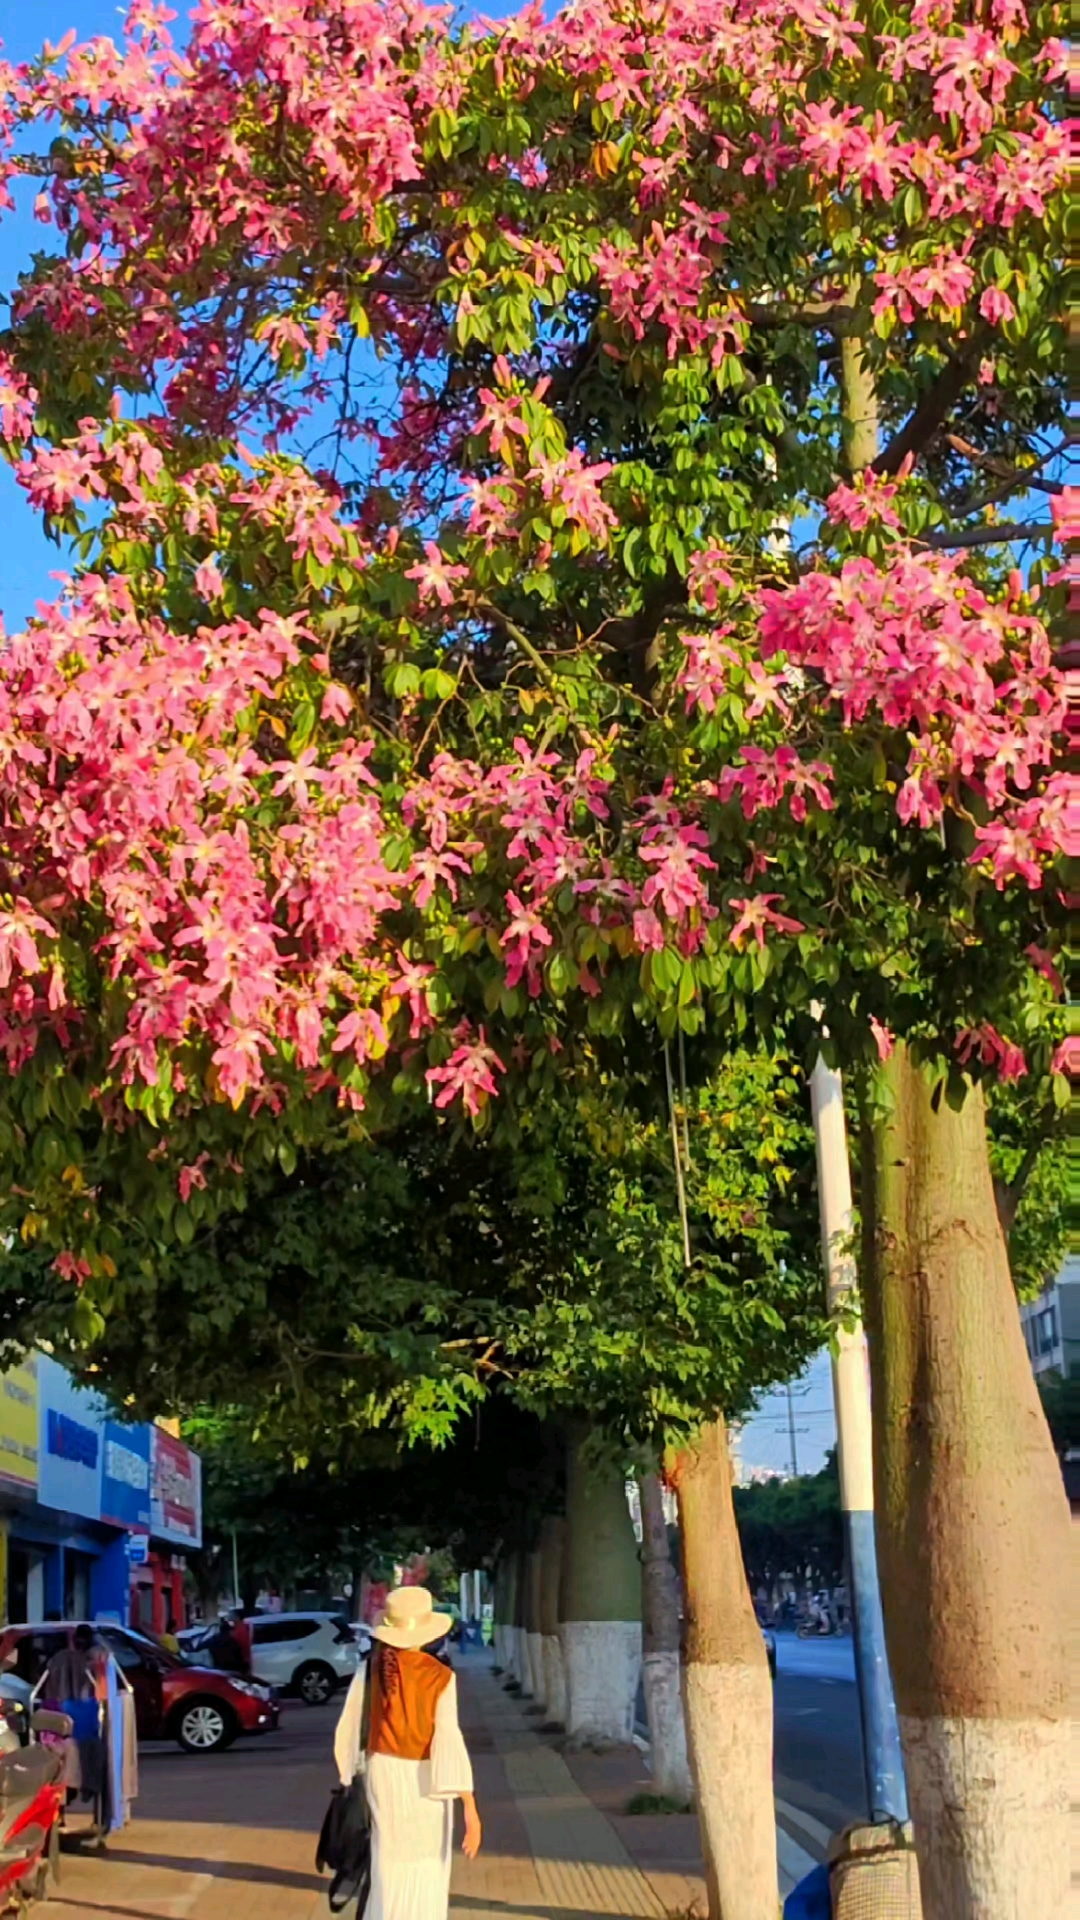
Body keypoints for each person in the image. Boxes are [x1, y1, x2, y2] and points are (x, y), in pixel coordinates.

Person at [334, 1586, 481, 1920]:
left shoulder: (369, 1671)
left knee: (386, 1862)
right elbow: (449, 1742)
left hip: (381, 1773)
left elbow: (349, 1730)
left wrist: (348, 1776)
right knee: (427, 1867)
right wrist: (470, 1807)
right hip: (429, 1781)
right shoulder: (441, 1677)